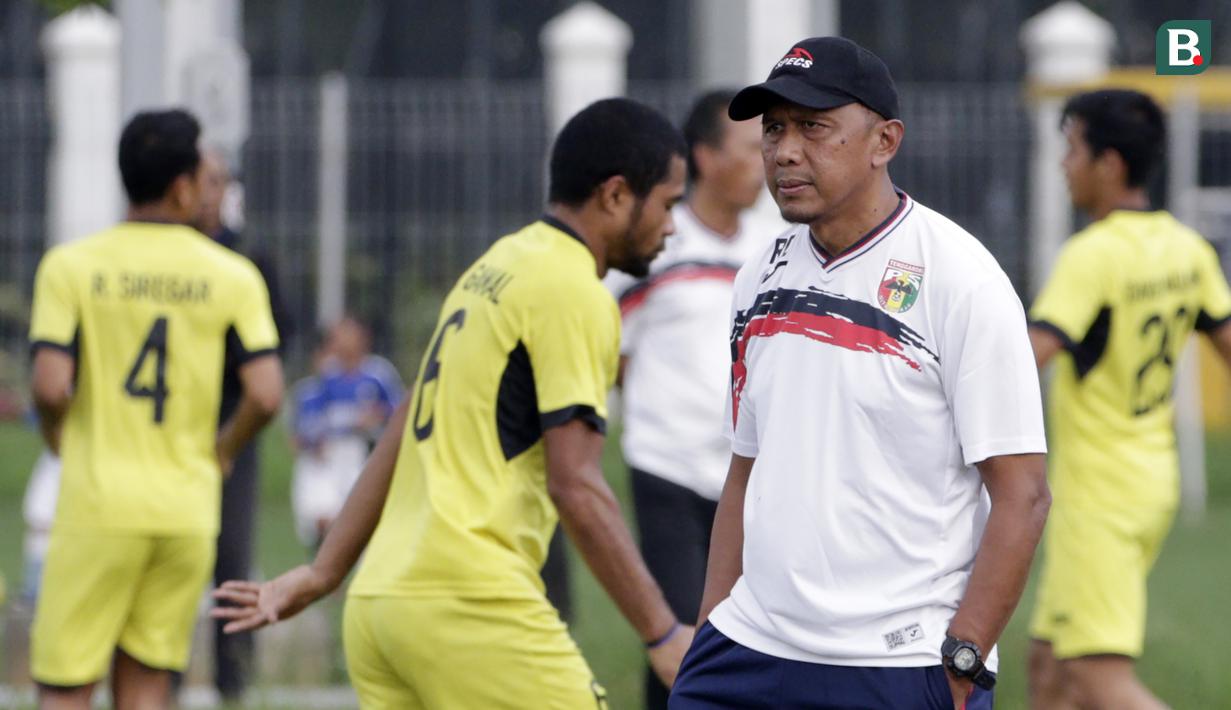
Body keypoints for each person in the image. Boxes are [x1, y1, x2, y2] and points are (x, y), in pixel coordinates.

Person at [213, 97, 695, 707]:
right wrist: (663, 632)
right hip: (469, 604)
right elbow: (577, 485)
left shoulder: (495, 266)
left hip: (383, 605)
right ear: (617, 195)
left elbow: (408, 417)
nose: (672, 226)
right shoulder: (573, 291)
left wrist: (325, 571)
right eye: (669, 204)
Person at [668, 37, 1051, 710]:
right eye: (773, 129)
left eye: (813, 127)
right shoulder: (758, 275)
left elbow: (1021, 494)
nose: (784, 151)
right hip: (747, 652)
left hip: (897, 664)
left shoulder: (960, 278)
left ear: (883, 142)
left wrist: (960, 663)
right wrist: (710, 629)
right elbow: (745, 471)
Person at [28, 108, 284, 710]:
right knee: (147, 687)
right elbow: (268, 392)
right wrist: (222, 451)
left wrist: (57, 435)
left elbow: (48, 385)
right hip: (186, 508)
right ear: (182, 187)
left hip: (98, 505)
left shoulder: (71, 266)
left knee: (67, 687)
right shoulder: (232, 274)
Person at [1026, 89, 1231, 710]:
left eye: (1072, 149)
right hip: (1149, 481)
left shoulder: (1092, 255)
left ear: (1108, 164)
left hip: (1100, 497)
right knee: (1048, 671)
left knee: (1097, 680)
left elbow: (1028, 354)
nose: (1064, 164)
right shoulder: (1186, 249)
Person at [605, 88, 775, 710]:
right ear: (704, 155)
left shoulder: (775, 246)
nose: (768, 162)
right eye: (753, 148)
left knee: (741, 633)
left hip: (749, 474)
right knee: (682, 631)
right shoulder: (654, 249)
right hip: (668, 467)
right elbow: (614, 356)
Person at [194, 146, 289, 703]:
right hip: (175, 426)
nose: (209, 193)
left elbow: (275, 342)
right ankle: (165, 681)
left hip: (235, 423)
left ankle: (234, 680)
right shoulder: (172, 255)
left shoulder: (250, 258)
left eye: (217, 181)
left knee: (232, 557)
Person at [290, 317, 403, 549]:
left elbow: (399, 413)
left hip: (364, 458)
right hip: (328, 460)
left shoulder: (378, 374)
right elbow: (307, 423)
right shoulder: (325, 378)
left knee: (360, 524)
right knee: (325, 522)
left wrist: (376, 417)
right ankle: (326, 573)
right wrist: (313, 440)